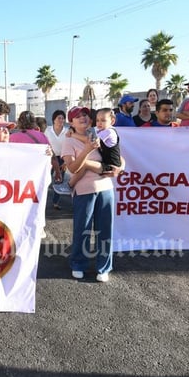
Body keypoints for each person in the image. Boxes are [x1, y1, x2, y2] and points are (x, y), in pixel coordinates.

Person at [62, 106, 123, 282]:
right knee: (82, 230)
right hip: (84, 191)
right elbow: (73, 168)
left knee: (105, 231)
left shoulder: (100, 133)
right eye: (77, 116)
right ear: (71, 122)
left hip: (106, 189)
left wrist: (120, 168)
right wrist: (87, 150)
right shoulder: (69, 141)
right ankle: (78, 264)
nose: (82, 118)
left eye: (85, 115)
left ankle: (104, 267)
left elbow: (118, 157)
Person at [45, 110, 69, 209]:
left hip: (63, 158)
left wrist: (66, 161)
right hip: (49, 157)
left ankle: (55, 202)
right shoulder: (47, 130)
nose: (61, 120)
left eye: (63, 118)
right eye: (59, 118)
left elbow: (70, 146)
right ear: (54, 120)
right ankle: (42, 201)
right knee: (46, 179)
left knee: (59, 180)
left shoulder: (67, 131)